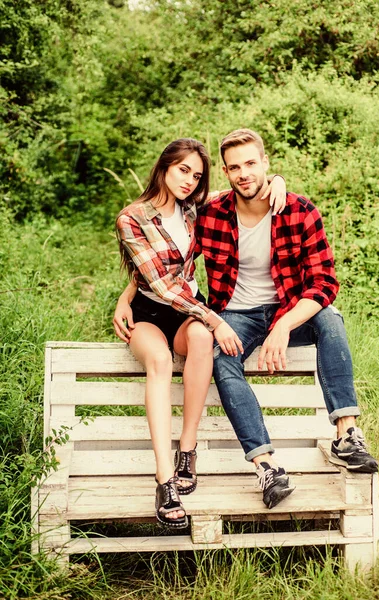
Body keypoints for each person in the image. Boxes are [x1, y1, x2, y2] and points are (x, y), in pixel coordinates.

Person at [193, 128, 378, 510]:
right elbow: (164, 240)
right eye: (234, 168)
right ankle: (267, 466)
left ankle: (347, 434)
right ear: (226, 173)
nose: (243, 173)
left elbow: (325, 282)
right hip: (235, 315)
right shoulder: (210, 213)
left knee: (329, 318)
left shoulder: (298, 210)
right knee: (220, 357)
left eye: (250, 163)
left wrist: (284, 324)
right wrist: (129, 295)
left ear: (265, 163)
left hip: (287, 312)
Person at [114, 137, 287, 527]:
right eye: (182, 170)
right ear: (164, 168)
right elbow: (159, 283)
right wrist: (214, 317)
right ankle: (164, 481)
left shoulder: (195, 211)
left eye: (196, 174)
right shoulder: (132, 217)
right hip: (149, 313)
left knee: (201, 339)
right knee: (159, 360)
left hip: (188, 313)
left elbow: (247, 186)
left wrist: (276, 179)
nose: (189, 180)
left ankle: (187, 450)